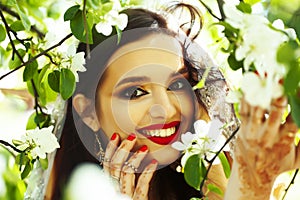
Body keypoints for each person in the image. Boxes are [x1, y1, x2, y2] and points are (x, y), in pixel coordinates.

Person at [45, 3, 300, 200]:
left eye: (177, 84)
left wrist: (248, 181)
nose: (166, 110)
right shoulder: (67, 188)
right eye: (135, 92)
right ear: (88, 111)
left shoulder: (219, 168)